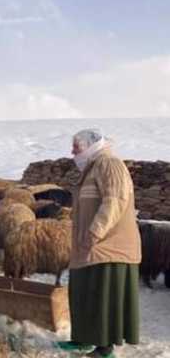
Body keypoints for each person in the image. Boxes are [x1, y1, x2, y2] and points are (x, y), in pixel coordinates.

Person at [56, 129, 141, 358]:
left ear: (90, 146)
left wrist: (95, 232)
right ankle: (83, 339)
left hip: (109, 246)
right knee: (84, 292)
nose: (73, 152)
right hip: (90, 246)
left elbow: (115, 201)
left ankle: (105, 347)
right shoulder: (93, 167)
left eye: (76, 147)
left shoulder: (109, 164)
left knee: (103, 296)